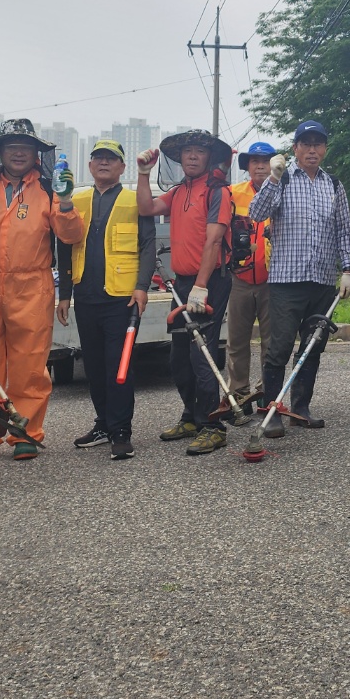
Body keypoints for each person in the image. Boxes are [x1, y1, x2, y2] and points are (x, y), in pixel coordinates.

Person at [0, 119, 85, 464]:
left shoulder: (48, 190)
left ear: (35, 153)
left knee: (30, 365)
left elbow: (71, 236)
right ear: (0, 152)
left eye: (25, 147)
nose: (18, 153)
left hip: (32, 285)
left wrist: (68, 200)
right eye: (11, 146)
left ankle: (26, 433)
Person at [247, 120, 350, 436]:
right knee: (278, 348)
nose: (311, 149)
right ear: (295, 148)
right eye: (305, 144)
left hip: (321, 281)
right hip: (285, 281)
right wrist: (273, 179)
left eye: (317, 144)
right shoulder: (281, 178)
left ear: (324, 148)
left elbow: (342, 230)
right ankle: (272, 410)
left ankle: (300, 407)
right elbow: (256, 213)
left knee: (313, 345)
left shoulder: (333, 185)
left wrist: (347, 269)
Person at [137, 130, 234, 456]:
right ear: (179, 159)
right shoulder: (179, 192)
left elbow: (214, 241)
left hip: (210, 281)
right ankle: (191, 416)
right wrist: (143, 173)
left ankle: (213, 426)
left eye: (199, 152)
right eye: (187, 152)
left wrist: (201, 287)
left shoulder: (217, 192)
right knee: (178, 355)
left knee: (200, 353)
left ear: (209, 158)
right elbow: (147, 207)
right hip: (182, 282)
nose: (192, 156)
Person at [59, 140, 155, 461]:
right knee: (95, 366)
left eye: (111, 159)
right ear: (89, 166)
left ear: (122, 167)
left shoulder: (134, 199)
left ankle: (121, 431)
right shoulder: (75, 199)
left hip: (123, 299)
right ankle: (103, 424)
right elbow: (64, 245)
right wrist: (64, 295)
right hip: (85, 296)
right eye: (98, 158)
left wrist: (142, 287)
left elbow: (147, 244)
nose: (104, 163)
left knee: (120, 366)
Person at [225, 141, 280, 410]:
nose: (260, 165)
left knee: (271, 343)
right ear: (247, 165)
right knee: (236, 342)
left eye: (265, 160)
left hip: (274, 280)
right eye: (254, 160)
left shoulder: (284, 191)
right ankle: (239, 395)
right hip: (240, 279)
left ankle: (267, 394)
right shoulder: (232, 193)